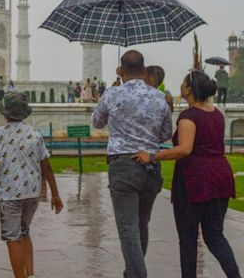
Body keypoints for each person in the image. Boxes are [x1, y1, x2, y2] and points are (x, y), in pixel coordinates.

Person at [133, 70, 241, 278]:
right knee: (215, 235)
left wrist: (152, 156)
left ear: (189, 89)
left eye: (183, 82)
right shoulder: (216, 113)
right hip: (219, 176)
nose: (181, 85)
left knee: (189, 238)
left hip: (195, 179)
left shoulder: (189, 116)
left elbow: (184, 149)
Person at [92, 50, 172, 278]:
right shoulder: (158, 96)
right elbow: (166, 134)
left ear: (121, 70)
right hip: (150, 167)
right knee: (140, 225)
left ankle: (137, 275)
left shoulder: (112, 94)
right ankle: (133, 273)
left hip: (123, 166)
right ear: (145, 70)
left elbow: (97, 123)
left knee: (128, 229)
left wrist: (114, 91)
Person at [0, 92, 63, 278]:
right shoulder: (35, 134)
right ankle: (30, 275)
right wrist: (56, 194)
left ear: (5, 113)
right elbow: (47, 167)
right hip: (32, 193)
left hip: (9, 194)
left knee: (13, 237)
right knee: (24, 231)